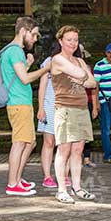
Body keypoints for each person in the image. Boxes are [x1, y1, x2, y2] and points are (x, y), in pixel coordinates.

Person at [0, 16, 51, 196]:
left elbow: (19, 76)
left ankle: (17, 178)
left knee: (30, 142)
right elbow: (25, 79)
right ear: (24, 31)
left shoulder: (12, 51)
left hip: (20, 102)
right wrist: (46, 68)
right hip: (18, 103)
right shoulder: (15, 51)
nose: (35, 39)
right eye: (34, 35)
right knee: (20, 143)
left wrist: (28, 64)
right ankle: (12, 183)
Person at [50, 25, 97, 204]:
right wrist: (83, 76)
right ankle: (61, 189)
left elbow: (92, 83)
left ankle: (77, 187)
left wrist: (83, 76)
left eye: (75, 40)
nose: (73, 43)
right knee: (64, 149)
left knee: (78, 149)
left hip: (81, 109)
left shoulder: (79, 60)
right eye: (69, 40)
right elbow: (82, 75)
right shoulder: (57, 60)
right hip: (65, 108)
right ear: (61, 41)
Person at [36, 54, 71, 189]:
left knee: (65, 143)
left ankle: (64, 174)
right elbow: (43, 86)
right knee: (49, 142)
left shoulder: (73, 61)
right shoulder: (49, 61)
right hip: (49, 106)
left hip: (67, 106)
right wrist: (41, 108)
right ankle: (47, 176)